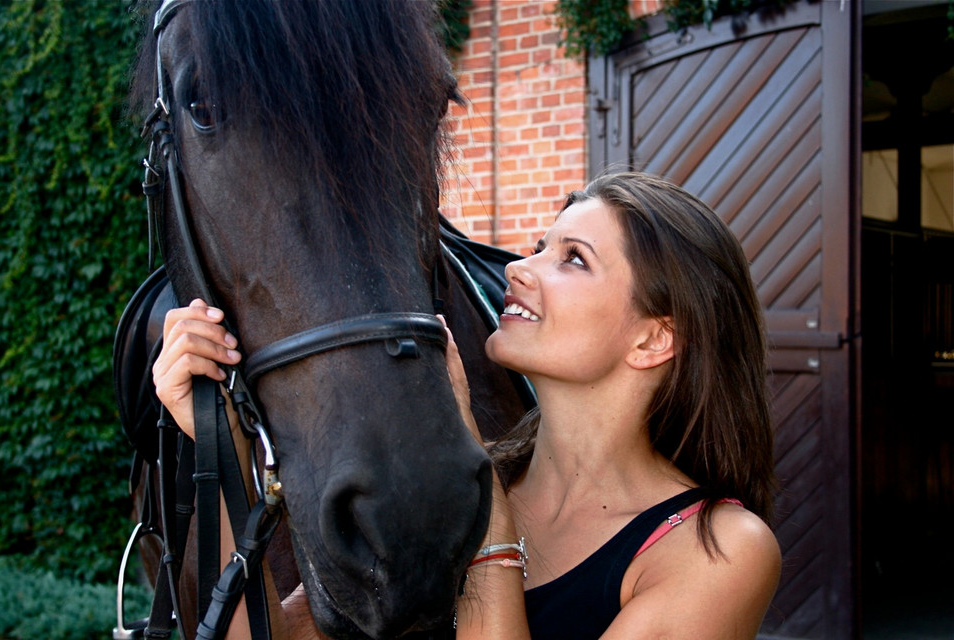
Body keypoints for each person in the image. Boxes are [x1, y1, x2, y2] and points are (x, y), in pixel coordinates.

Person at [153, 171, 781, 639]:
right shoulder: (442, 494)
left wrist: (485, 508)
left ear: (652, 339)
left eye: (572, 260)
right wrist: (221, 448)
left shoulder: (718, 551)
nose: (519, 268)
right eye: (539, 245)